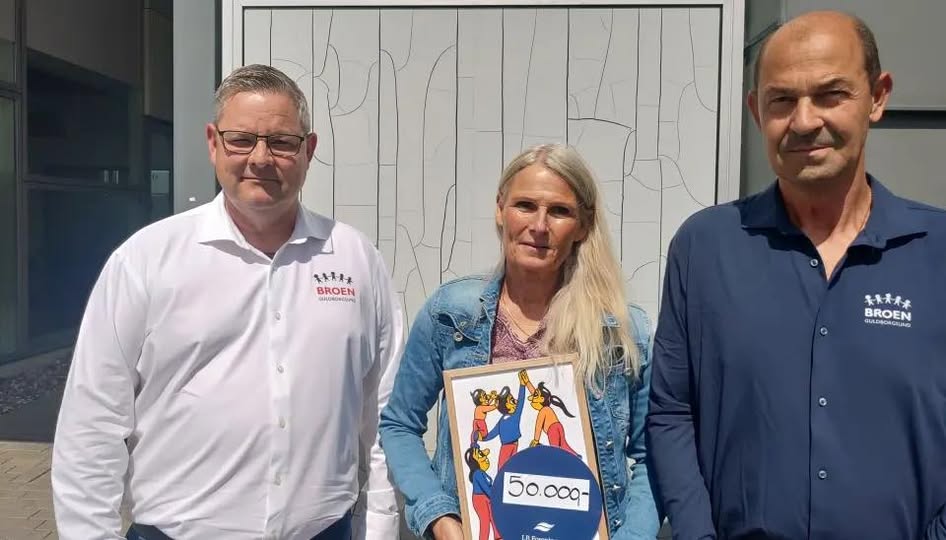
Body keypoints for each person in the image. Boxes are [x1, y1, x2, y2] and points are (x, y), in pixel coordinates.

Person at [51, 64, 404, 540]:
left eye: (282, 142)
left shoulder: (357, 260)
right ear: (213, 143)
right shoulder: (146, 260)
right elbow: (92, 425)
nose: (261, 158)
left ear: (309, 150)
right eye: (241, 140)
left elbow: (386, 415)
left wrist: (379, 528)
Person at [647, 10, 946, 540]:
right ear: (756, 111)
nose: (804, 121)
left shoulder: (936, 252)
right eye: (782, 100)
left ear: (877, 97)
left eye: (831, 95)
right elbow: (672, 412)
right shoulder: (706, 248)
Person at [379, 144, 660, 540]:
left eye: (559, 211)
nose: (539, 226)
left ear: (583, 225)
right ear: (500, 209)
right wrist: (439, 516)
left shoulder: (622, 332)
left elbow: (653, 457)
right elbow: (399, 424)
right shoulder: (451, 313)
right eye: (525, 205)